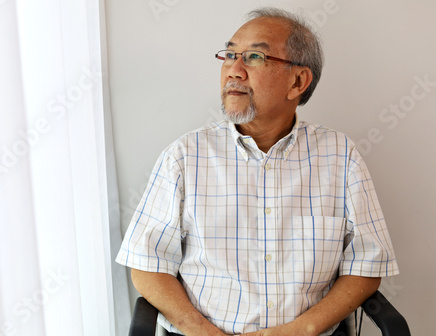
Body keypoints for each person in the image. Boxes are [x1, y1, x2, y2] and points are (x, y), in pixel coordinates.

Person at [116, 7, 399, 336]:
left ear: (297, 81)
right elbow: (147, 265)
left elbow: (367, 264)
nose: (233, 70)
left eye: (253, 57)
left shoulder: (340, 156)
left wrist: (301, 329)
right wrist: (202, 331)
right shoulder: (185, 156)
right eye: (230, 54)